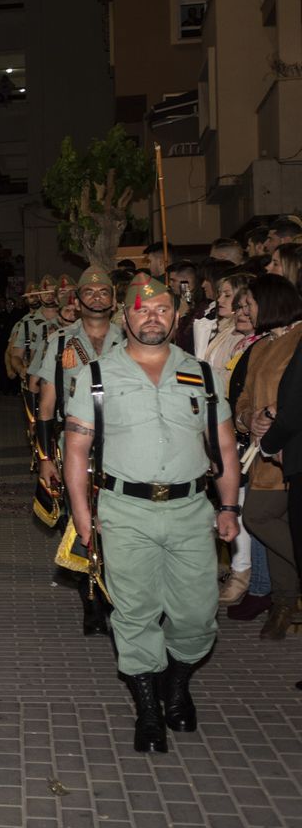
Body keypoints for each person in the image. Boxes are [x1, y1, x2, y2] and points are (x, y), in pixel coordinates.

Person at [62, 273, 240, 754]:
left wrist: (228, 506)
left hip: (190, 510)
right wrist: (82, 515)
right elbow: (76, 450)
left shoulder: (202, 374)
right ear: (126, 316)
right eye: (141, 309)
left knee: (197, 616)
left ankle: (177, 684)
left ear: (176, 317)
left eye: (161, 308)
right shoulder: (95, 376)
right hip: (125, 511)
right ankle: (148, 711)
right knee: (135, 613)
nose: (152, 316)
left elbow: (222, 444)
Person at [29, 268, 122, 636]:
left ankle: (118, 598)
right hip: (76, 447)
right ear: (78, 299)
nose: (97, 297)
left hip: (124, 446)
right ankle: (91, 601)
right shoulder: (61, 342)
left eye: (104, 291)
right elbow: (46, 406)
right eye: (90, 291)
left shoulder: (130, 338)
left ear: (114, 299)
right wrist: (46, 459)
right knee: (81, 523)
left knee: (118, 523)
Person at [233, 274, 302, 640]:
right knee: (261, 517)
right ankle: (285, 600)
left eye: (250, 304)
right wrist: (248, 418)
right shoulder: (259, 347)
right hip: (261, 451)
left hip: (289, 446)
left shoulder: (298, 339)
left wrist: (274, 413)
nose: (245, 310)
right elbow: (243, 396)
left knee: (260, 515)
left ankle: (286, 598)